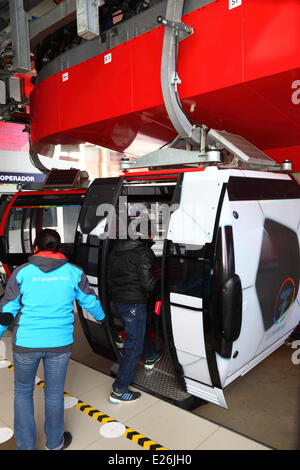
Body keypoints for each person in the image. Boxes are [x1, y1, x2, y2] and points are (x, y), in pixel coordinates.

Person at [0, 229, 105, 450]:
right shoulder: (74, 272)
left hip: (26, 343)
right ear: (58, 247)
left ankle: (26, 446)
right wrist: (102, 318)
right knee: (54, 393)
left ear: (36, 248)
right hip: (60, 344)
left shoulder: (22, 272)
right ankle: (54, 443)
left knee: (22, 392)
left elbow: (7, 310)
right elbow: (89, 301)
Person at [107, 220, 161, 404]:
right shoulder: (143, 252)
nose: (151, 237)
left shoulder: (116, 249)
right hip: (134, 305)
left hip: (119, 303)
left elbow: (109, 277)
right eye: (151, 234)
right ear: (145, 235)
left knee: (137, 332)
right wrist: (160, 284)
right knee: (133, 346)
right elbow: (148, 283)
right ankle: (119, 390)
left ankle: (150, 356)